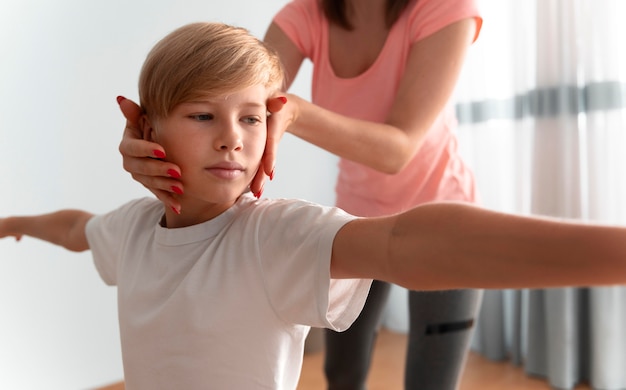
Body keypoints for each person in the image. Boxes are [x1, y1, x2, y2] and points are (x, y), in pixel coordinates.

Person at [3, 21, 626, 390]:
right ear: (147, 127)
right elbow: (78, 228)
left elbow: (401, 244)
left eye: (251, 118)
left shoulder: (275, 235)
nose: (233, 137)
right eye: (202, 116)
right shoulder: (134, 228)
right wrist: (13, 224)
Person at [118, 0, 485, 388]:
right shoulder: (306, 15)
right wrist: (150, 135)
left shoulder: (446, 7)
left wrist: (294, 111)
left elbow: (397, 150)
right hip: (359, 214)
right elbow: (238, 91)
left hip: (442, 209)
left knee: (434, 381)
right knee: (343, 374)